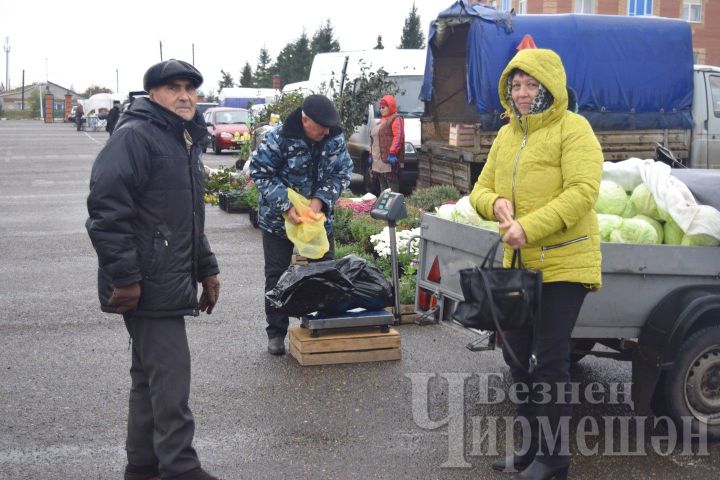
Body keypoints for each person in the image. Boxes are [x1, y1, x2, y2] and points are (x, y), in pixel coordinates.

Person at [469, 47, 603, 480]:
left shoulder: (574, 129)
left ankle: (554, 459)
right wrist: (496, 203)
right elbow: (479, 189)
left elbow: (583, 190)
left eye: (531, 85)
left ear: (549, 87)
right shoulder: (508, 135)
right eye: (516, 85)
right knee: (516, 359)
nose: (523, 93)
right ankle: (529, 450)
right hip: (520, 265)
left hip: (566, 264)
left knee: (549, 360)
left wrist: (530, 226)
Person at [86, 59, 222, 480]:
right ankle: (181, 468)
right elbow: (106, 213)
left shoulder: (181, 140)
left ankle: (142, 465)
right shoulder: (135, 137)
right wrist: (126, 278)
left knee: (149, 379)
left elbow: (186, 218)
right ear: (153, 95)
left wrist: (207, 269)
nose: (184, 95)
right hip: (146, 283)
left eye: (191, 88)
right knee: (171, 381)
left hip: (166, 278)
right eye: (173, 88)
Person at [249, 94, 353, 355]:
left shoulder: (334, 138)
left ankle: (320, 327)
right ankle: (276, 333)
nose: (327, 131)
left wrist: (320, 200)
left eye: (330, 127)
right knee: (277, 276)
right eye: (321, 126)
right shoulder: (278, 138)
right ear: (305, 121)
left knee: (324, 273)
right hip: (278, 221)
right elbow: (260, 172)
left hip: (317, 221)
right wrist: (286, 206)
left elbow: (342, 172)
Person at [369, 94, 404, 192]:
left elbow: (399, 136)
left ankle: (394, 206)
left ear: (390, 107)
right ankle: (384, 207)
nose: (381, 109)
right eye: (380, 107)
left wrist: (392, 152)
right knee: (383, 187)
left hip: (388, 159)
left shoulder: (396, 119)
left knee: (392, 187)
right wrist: (370, 154)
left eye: (383, 107)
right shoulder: (381, 121)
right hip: (378, 159)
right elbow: (374, 139)